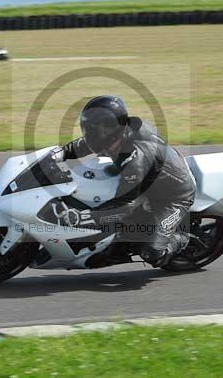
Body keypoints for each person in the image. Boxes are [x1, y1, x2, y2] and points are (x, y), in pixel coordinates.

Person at [52, 95, 196, 267]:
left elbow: (124, 207)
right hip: (149, 178)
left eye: (96, 130)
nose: (90, 134)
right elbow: (85, 144)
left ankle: (181, 239)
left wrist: (84, 218)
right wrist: (60, 154)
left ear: (112, 130)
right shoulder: (117, 135)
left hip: (174, 197)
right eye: (90, 129)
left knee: (152, 253)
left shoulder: (136, 160)